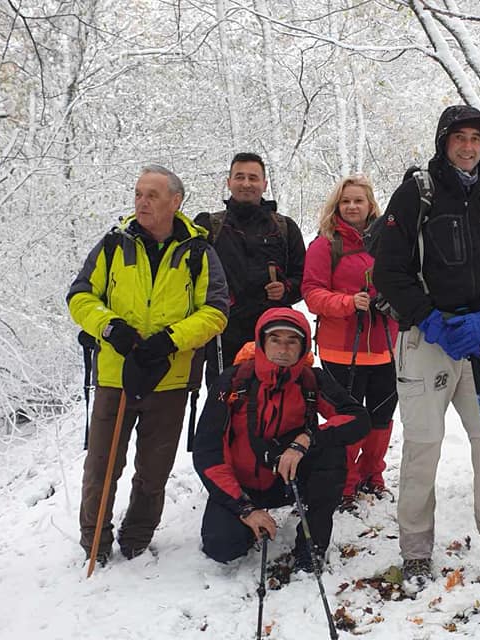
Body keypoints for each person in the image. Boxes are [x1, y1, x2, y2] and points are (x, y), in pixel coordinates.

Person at [372, 105, 480, 587]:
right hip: (427, 340)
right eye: (459, 137)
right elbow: (388, 271)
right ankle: (416, 548)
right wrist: (429, 318)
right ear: (444, 142)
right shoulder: (415, 194)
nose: (468, 147)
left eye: (476, 139)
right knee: (423, 446)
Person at [67, 164, 229, 563]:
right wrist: (110, 327)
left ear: (176, 202)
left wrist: (171, 340)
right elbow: (79, 296)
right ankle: (95, 544)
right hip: (113, 375)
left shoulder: (198, 252)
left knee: (154, 471)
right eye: (139, 193)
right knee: (101, 467)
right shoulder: (113, 245)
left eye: (152, 195)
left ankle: (136, 538)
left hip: (170, 378)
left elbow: (216, 311)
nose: (142, 201)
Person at [192, 308, 369, 570]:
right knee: (223, 547)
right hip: (242, 486)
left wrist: (306, 440)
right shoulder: (233, 381)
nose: (283, 349)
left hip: (288, 480)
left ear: (303, 346)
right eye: (275, 339)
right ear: (262, 342)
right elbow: (208, 453)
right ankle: (249, 518)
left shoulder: (311, 380)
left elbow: (357, 418)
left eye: (292, 341)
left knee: (332, 453)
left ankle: (312, 545)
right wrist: (245, 508)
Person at [302, 175, 399, 511]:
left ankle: (372, 474)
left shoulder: (390, 241)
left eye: (359, 200)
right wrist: (347, 303)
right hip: (340, 350)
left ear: (371, 204)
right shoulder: (325, 245)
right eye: (346, 201)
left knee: (381, 416)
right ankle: (343, 480)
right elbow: (312, 293)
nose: (353, 207)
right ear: (337, 206)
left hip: (387, 346)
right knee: (346, 417)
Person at [196, 152, 306, 370]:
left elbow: (304, 280)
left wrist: (285, 289)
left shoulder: (285, 228)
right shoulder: (209, 226)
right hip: (223, 336)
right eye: (240, 177)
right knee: (224, 400)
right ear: (229, 182)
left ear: (265, 184)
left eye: (253, 178)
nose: (246, 184)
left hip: (272, 336)